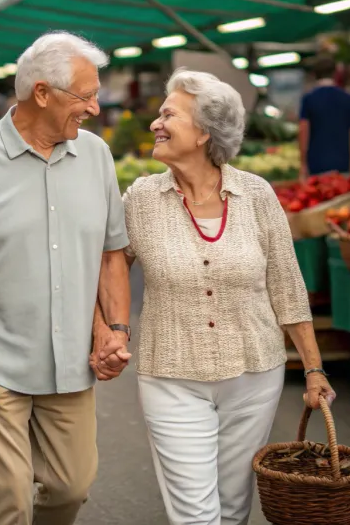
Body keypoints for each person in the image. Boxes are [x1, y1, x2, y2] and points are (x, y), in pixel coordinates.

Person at [0, 32, 131, 525]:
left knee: (71, 486)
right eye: (86, 96)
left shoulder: (96, 157)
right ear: (41, 92)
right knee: (10, 495)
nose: (95, 108)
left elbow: (111, 254)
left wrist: (114, 328)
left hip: (71, 362)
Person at [121, 69, 336, 525]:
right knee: (197, 515)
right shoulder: (141, 199)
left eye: (168, 115)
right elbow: (108, 272)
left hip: (255, 376)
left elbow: (288, 287)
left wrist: (314, 369)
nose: (156, 124)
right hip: (172, 375)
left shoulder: (256, 195)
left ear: (203, 132)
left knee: (235, 506)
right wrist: (106, 331)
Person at [298, 55, 350, 179]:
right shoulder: (349, 99)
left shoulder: (309, 99)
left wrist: (303, 164)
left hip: (316, 164)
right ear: (335, 73)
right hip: (342, 164)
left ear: (314, 74)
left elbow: (304, 131)